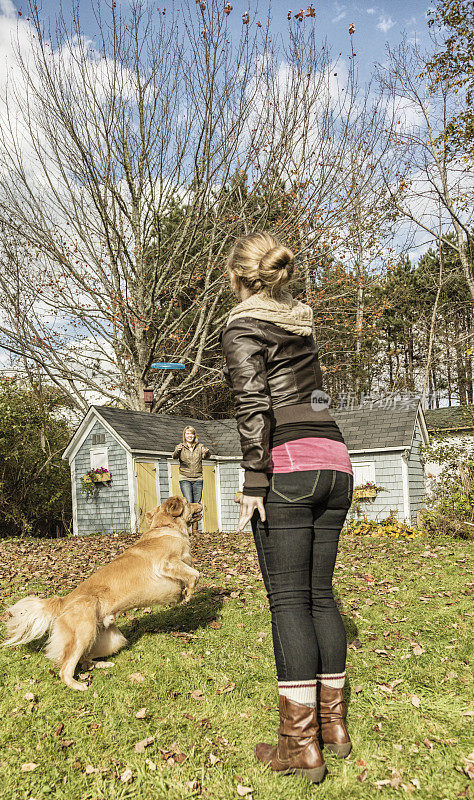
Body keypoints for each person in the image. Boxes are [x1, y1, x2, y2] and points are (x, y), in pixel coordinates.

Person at [221, 231, 354, 784]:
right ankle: (333, 728)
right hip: (337, 461)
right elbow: (316, 399)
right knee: (320, 595)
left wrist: (255, 478)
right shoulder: (303, 323)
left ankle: (300, 746)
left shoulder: (242, 324)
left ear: (239, 276)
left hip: (290, 468)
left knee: (289, 602)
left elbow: (253, 401)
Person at [172, 426, 210, 534]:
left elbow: (206, 456)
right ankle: (186, 529)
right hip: (185, 478)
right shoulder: (180, 447)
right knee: (188, 503)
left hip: (198, 478)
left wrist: (206, 452)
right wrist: (177, 450)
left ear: (194, 436)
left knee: (196, 503)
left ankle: (195, 530)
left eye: (192, 434)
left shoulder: (200, 446)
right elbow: (174, 456)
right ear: (184, 435)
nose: (190, 436)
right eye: (188, 434)